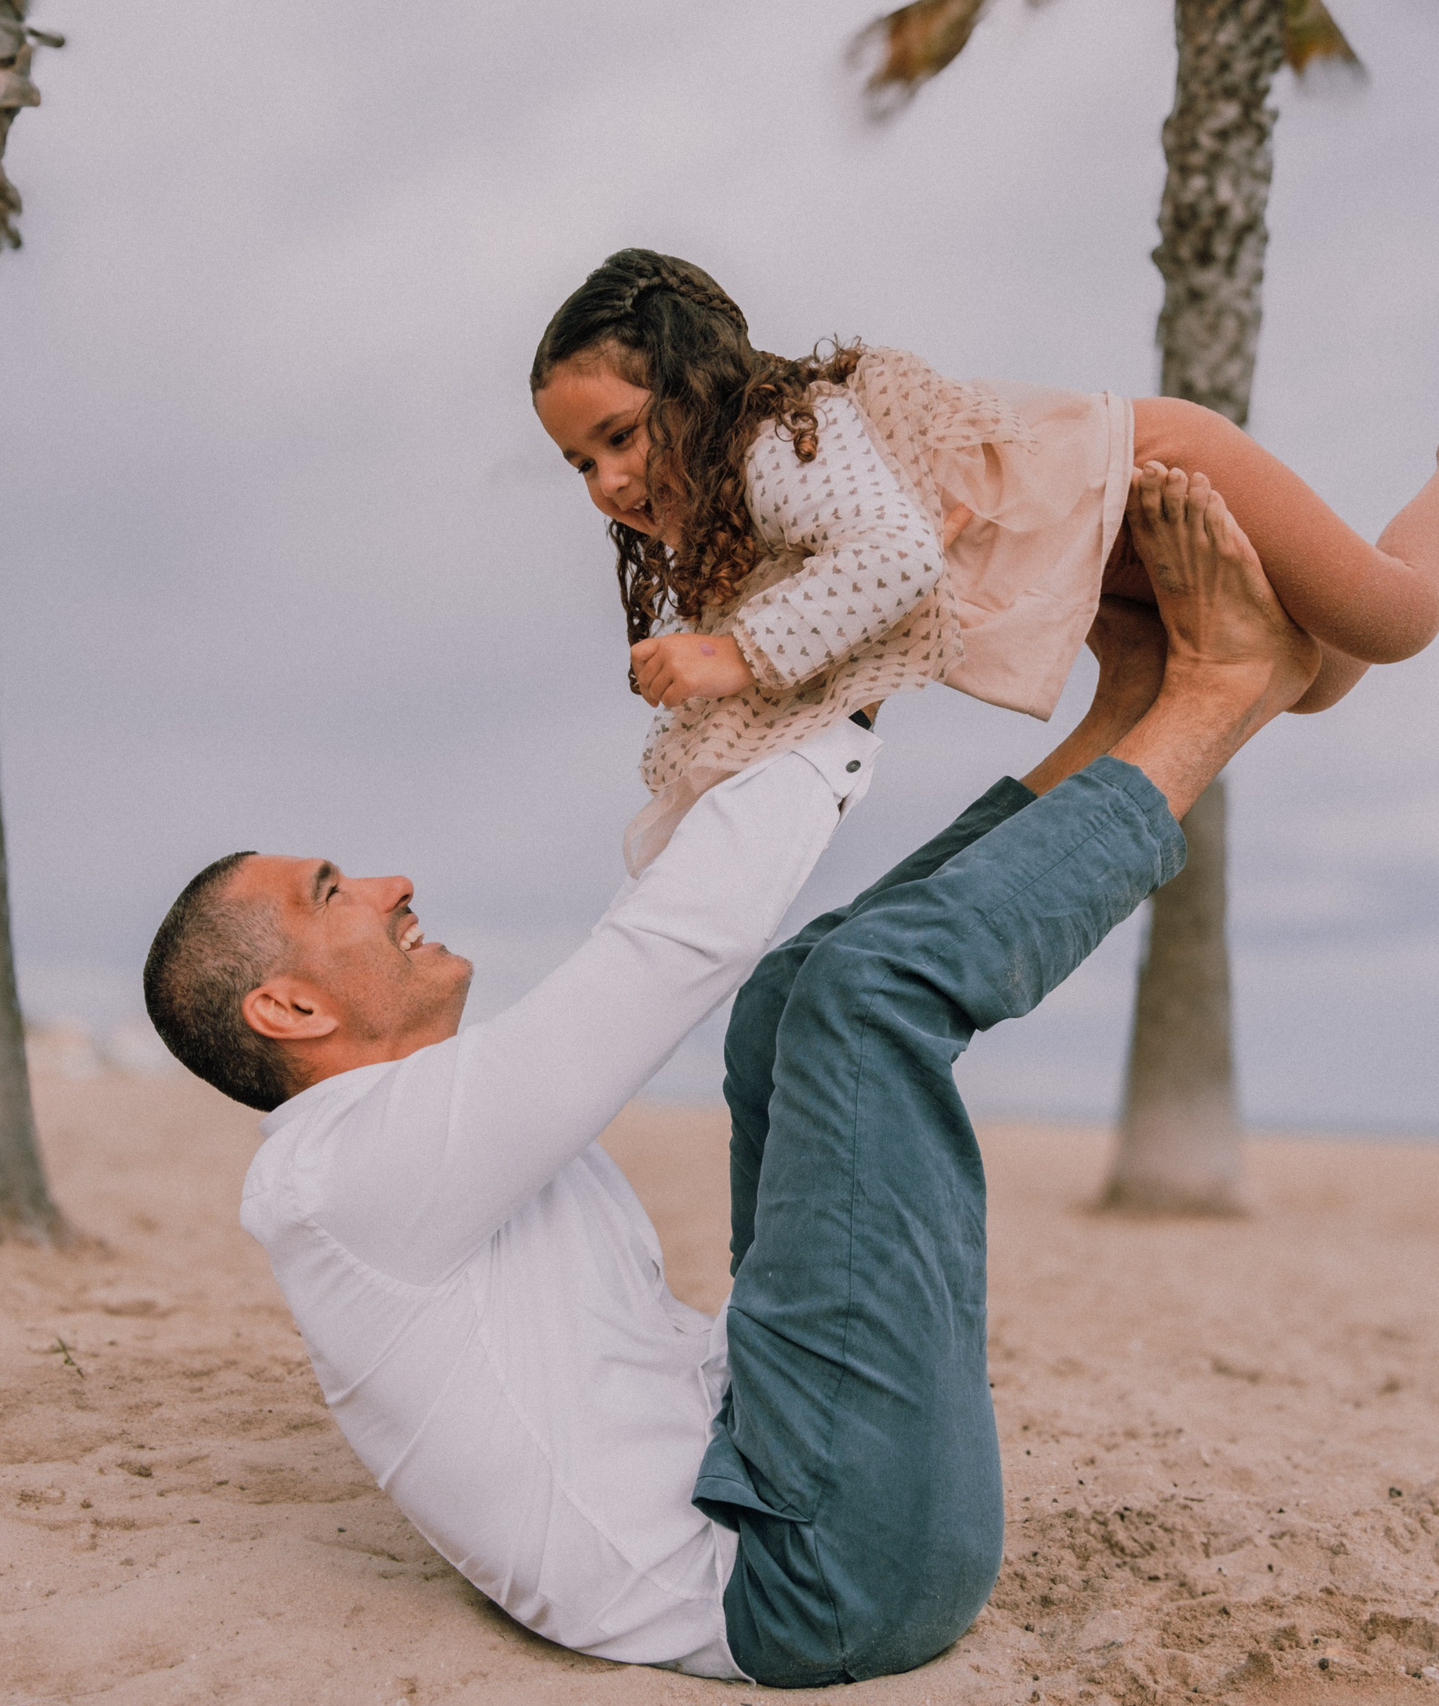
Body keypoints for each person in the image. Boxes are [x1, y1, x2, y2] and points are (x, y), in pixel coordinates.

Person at [141, 469, 1318, 1684]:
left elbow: (675, 943)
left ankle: (1130, 710)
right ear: (287, 1005)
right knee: (866, 1002)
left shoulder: (410, 1148)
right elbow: (668, 948)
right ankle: (1220, 689)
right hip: (814, 1581)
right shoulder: (347, 1170)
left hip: (785, 1474)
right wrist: (860, 642)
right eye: (333, 890)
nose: (391, 884)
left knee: (792, 998)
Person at [531, 247, 1439, 870]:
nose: (609, 484)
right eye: (579, 464)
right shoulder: (743, 491)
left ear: (694, 386)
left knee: (1386, 626)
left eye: (620, 437)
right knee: (1321, 681)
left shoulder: (777, 445)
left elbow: (896, 558)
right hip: (1104, 549)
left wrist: (734, 656)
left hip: (1147, 465)